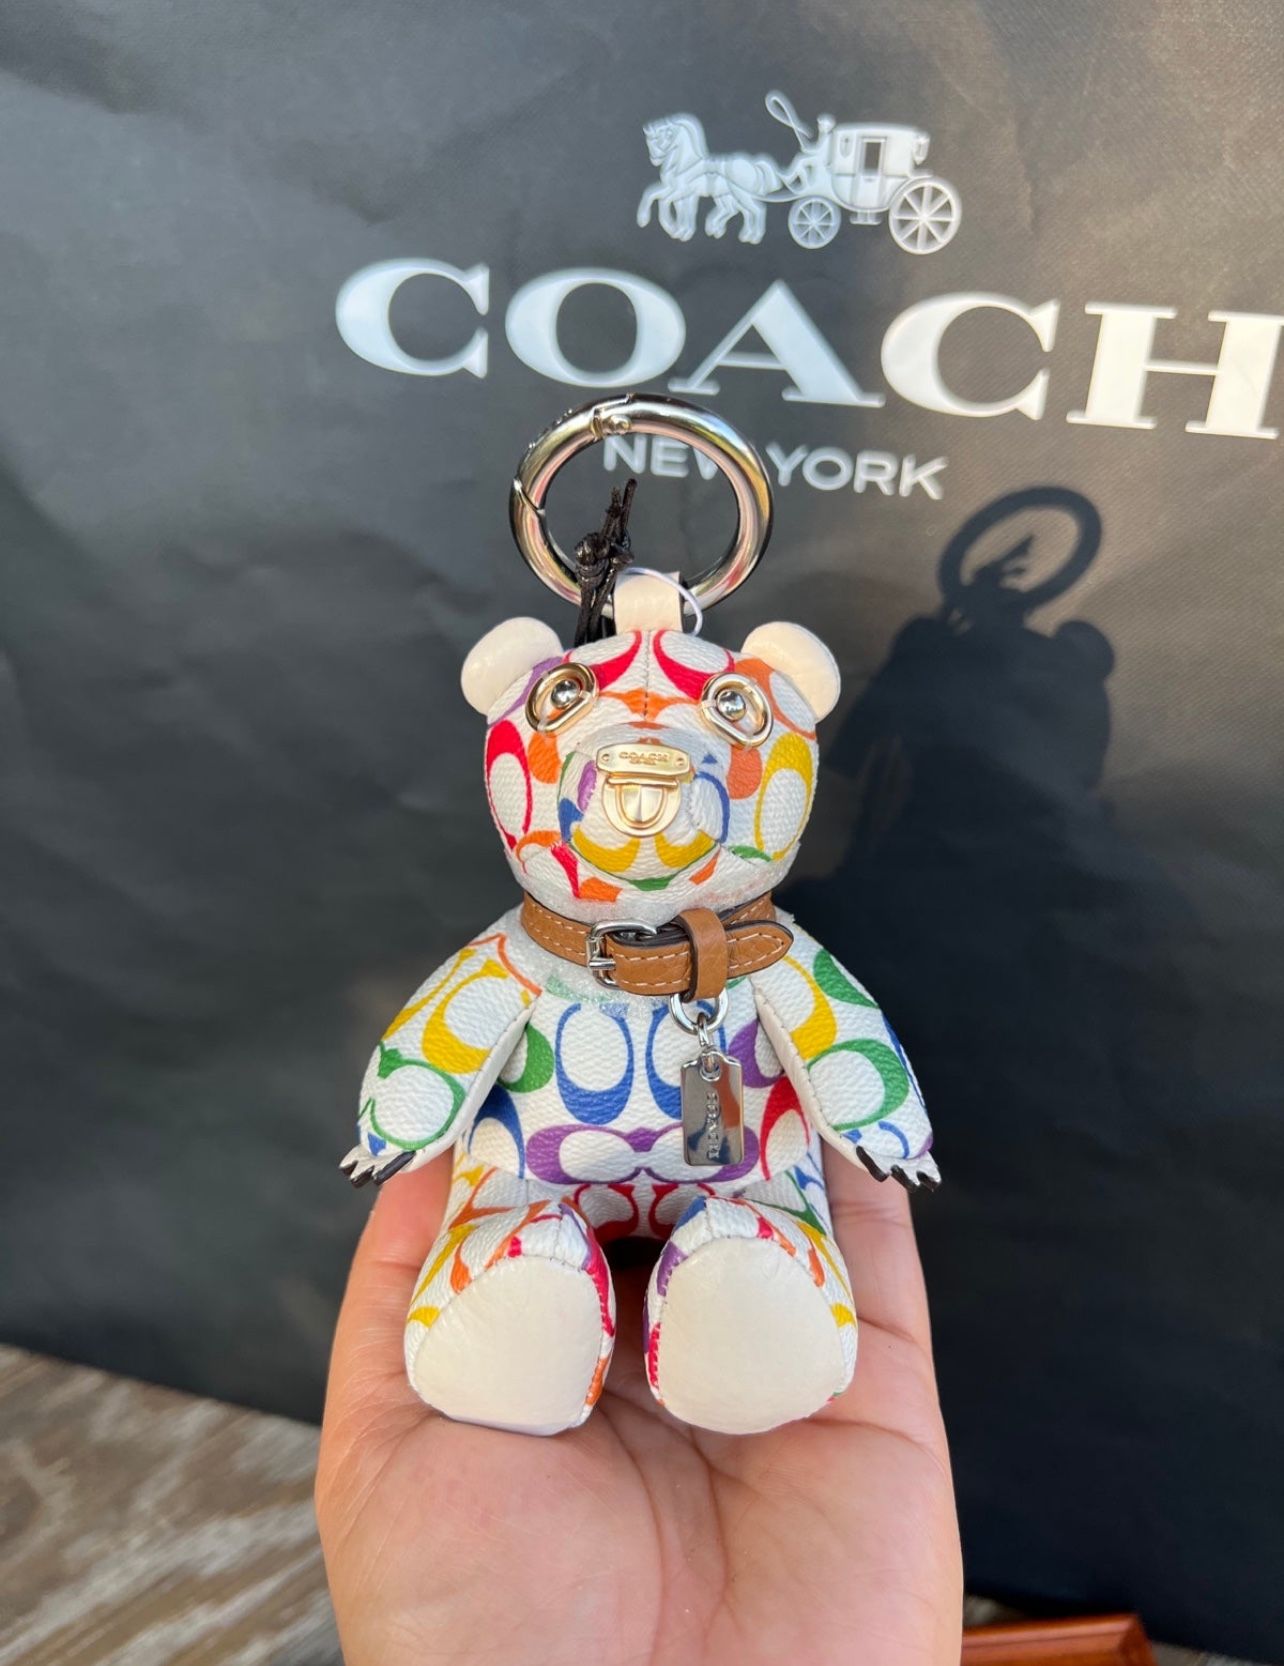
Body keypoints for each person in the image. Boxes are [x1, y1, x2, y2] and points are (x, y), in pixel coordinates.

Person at [316, 1152, 963, 1665]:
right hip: (532, 1154)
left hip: (752, 1154)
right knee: (499, 1192)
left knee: (777, 1199)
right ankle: (520, 1295)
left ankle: (756, 1292)